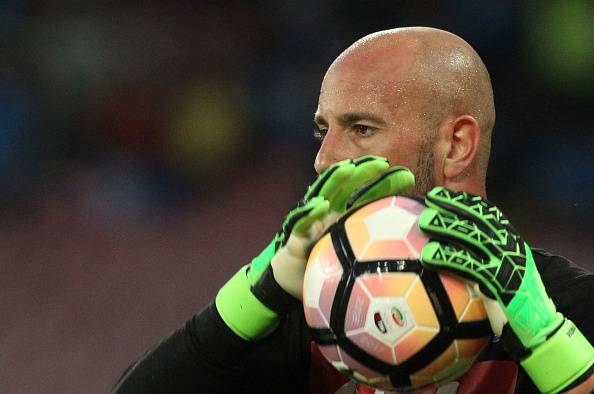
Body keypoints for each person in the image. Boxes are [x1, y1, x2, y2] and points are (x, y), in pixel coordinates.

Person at [113, 27, 594, 393]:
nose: (324, 159)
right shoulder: (310, 312)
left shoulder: (565, 307)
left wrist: (549, 344)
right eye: (324, 130)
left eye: (362, 128)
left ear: (456, 144)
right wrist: (260, 289)